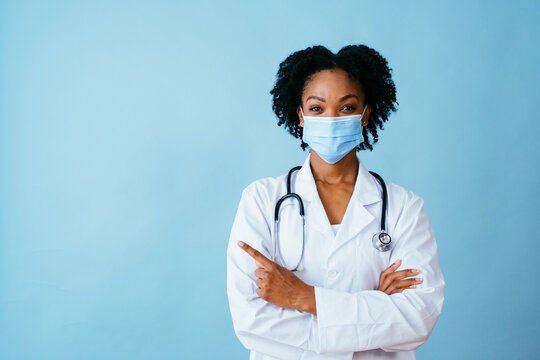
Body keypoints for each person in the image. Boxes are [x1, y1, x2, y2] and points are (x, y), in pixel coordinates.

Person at [226, 44, 445, 360]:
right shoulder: (262, 200)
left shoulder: (404, 208)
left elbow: (418, 318)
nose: (331, 118)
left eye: (346, 108)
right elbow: (251, 322)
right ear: (300, 116)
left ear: (365, 115)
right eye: (317, 109)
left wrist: (305, 298)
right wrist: (374, 310)